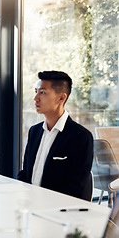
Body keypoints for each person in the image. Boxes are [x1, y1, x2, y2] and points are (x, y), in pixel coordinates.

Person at [17, 71, 93, 200]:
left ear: (61, 98)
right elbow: (25, 174)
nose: (36, 98)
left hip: (60, 212)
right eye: (36, 91)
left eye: (42, 92)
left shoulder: (80, 137)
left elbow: (75, 188)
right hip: (30, 207)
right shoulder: (34, 131)